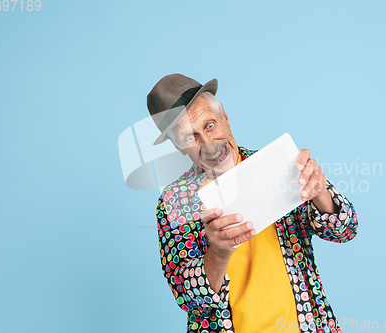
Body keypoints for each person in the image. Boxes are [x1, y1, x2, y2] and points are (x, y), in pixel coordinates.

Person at [148, 74, 358, 333]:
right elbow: (190, 299)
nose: (208, 144)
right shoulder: (174, 203)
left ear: (224, 115)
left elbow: (345, 230)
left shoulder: (279, 164)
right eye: (190, 137)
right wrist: (219, 252)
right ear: (178, 146)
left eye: (210, 125)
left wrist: (320, 192)